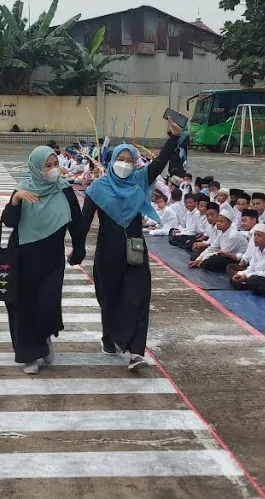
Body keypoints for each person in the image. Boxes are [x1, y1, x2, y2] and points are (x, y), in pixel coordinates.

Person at [82, 120, 181, 371]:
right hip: (107, 253)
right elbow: (84, 221)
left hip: (135, 251)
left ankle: (137, 351)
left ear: (135, 162)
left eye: (129, 159)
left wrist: (173, 137)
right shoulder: (97, 187)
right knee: (110, 298)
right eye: (120, 158)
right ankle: (109, 338)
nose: (124, 163)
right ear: (112, 159)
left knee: (138, 298)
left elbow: (160, 162)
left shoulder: (140, 180)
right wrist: (78, 248)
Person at [2, 146, 86, 375]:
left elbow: (76, 222)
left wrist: (79, 249)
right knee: (24, 307)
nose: (52, 170)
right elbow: (9, 221)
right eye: (47, 166)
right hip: (22, 256)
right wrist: (16, 200)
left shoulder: (64, 190)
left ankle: (45, 337)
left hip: (51, 259)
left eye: (54, 165)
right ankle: (29, 354)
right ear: (36, 168)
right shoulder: (22, 189)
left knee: (47, 303)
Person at [230, 224, 265, 292]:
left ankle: (248, 284)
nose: (255, 238)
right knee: (233, 274)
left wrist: (247, 276)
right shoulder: (257, 249)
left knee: (254, 280)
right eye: (254, 235)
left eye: (259, 235)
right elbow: (251, 268)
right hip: (254, 276)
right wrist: (241, 274)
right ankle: (246, 283)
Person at [191, 207, 249, 272]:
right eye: (218, 221)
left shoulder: (233, 235)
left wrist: (203, 259)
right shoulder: (221, 232)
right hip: (223, 254)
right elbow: (213, 248)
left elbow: (223, 253)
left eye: (221, 221)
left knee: (209, 262)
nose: (218, 223)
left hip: (236, 259)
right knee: (196, 257)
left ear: (229, 223)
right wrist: (198, 259)